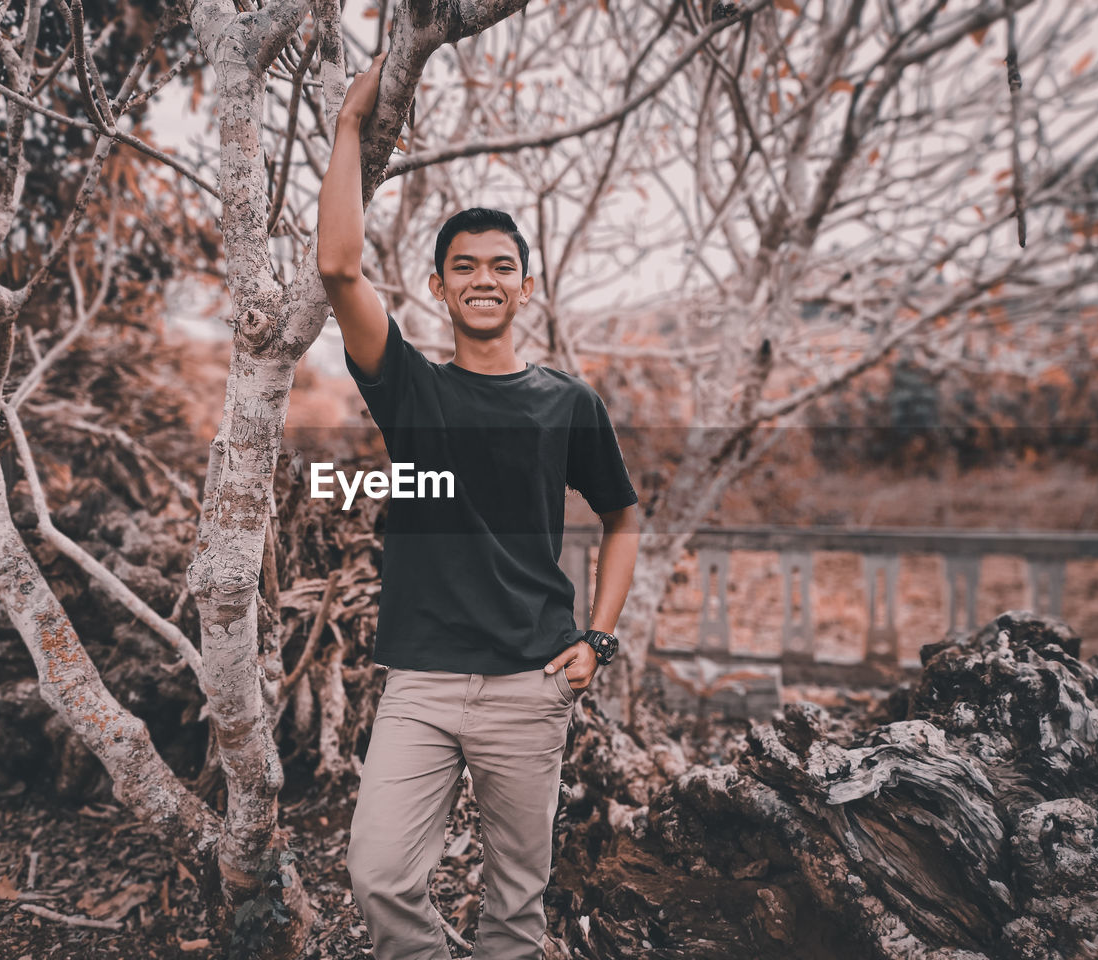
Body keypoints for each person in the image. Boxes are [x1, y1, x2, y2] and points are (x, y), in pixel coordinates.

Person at [316, 50, 640, 960]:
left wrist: (599, 638)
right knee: (379, 878)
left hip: (533, 684)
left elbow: (623, 516)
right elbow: (340, 270)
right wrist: (349, 127)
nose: (485, 279)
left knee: (514, 908)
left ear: (525, 286)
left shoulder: (568, 404)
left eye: (503, 265)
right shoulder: (411, 387)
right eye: (465, 267)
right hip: (419, 684)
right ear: (440, 286)